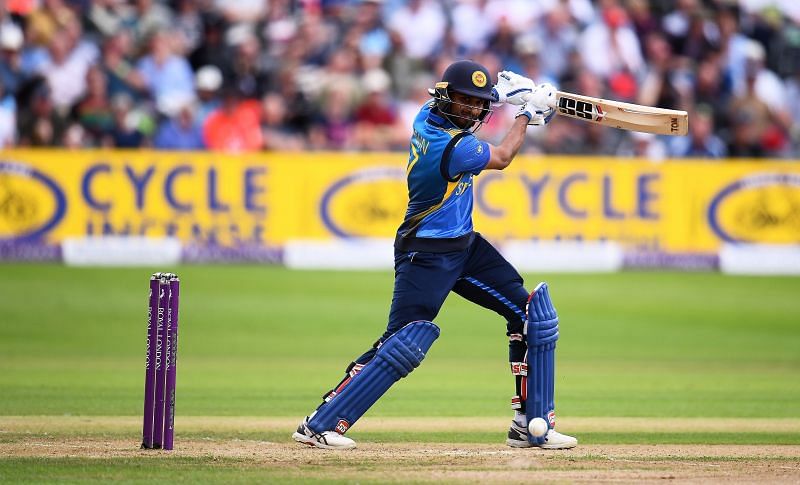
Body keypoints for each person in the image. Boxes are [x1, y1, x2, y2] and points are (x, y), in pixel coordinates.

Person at [292, 60, 577, 450]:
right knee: (402, 343)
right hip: (425, 252)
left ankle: (532, 423)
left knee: (531, 315)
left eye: (477, 104)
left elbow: (472, 107)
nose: (470, 110)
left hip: (464, 244)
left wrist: (506, 97)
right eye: (462, 101)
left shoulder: (427, 114)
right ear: (446, 98)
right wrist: (527, 113)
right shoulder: (453, 146)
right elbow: (504, 155)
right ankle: (320, 423)